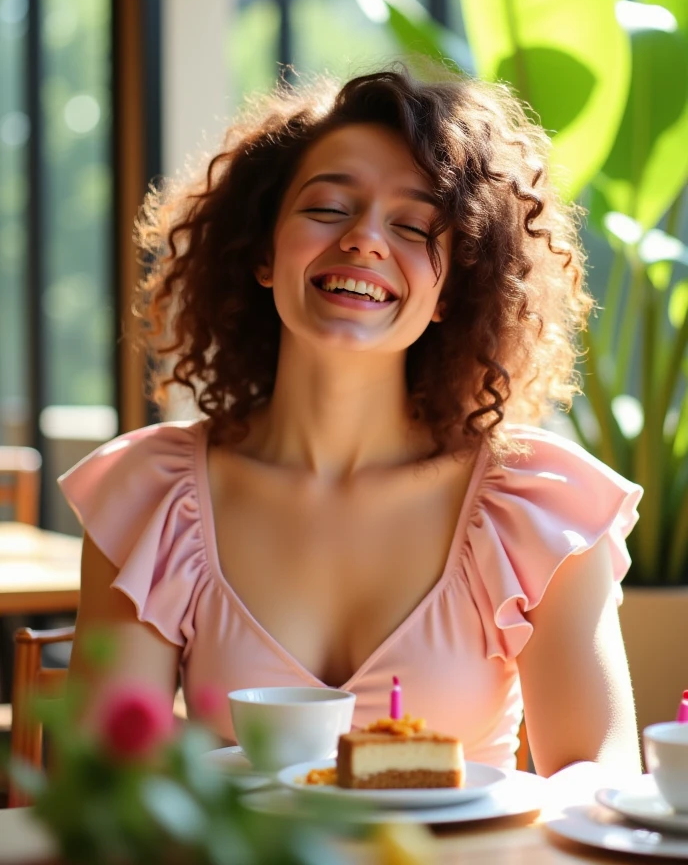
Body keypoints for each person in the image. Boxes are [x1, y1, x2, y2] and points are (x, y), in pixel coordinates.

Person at [62, 68, 642, 777]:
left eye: (410, 225)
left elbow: (596, 782)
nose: (366, 240)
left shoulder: (537, 505)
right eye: (329, 207)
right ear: (264, 254)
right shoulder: (151, 497)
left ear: (448, 293)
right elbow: (107, 787)